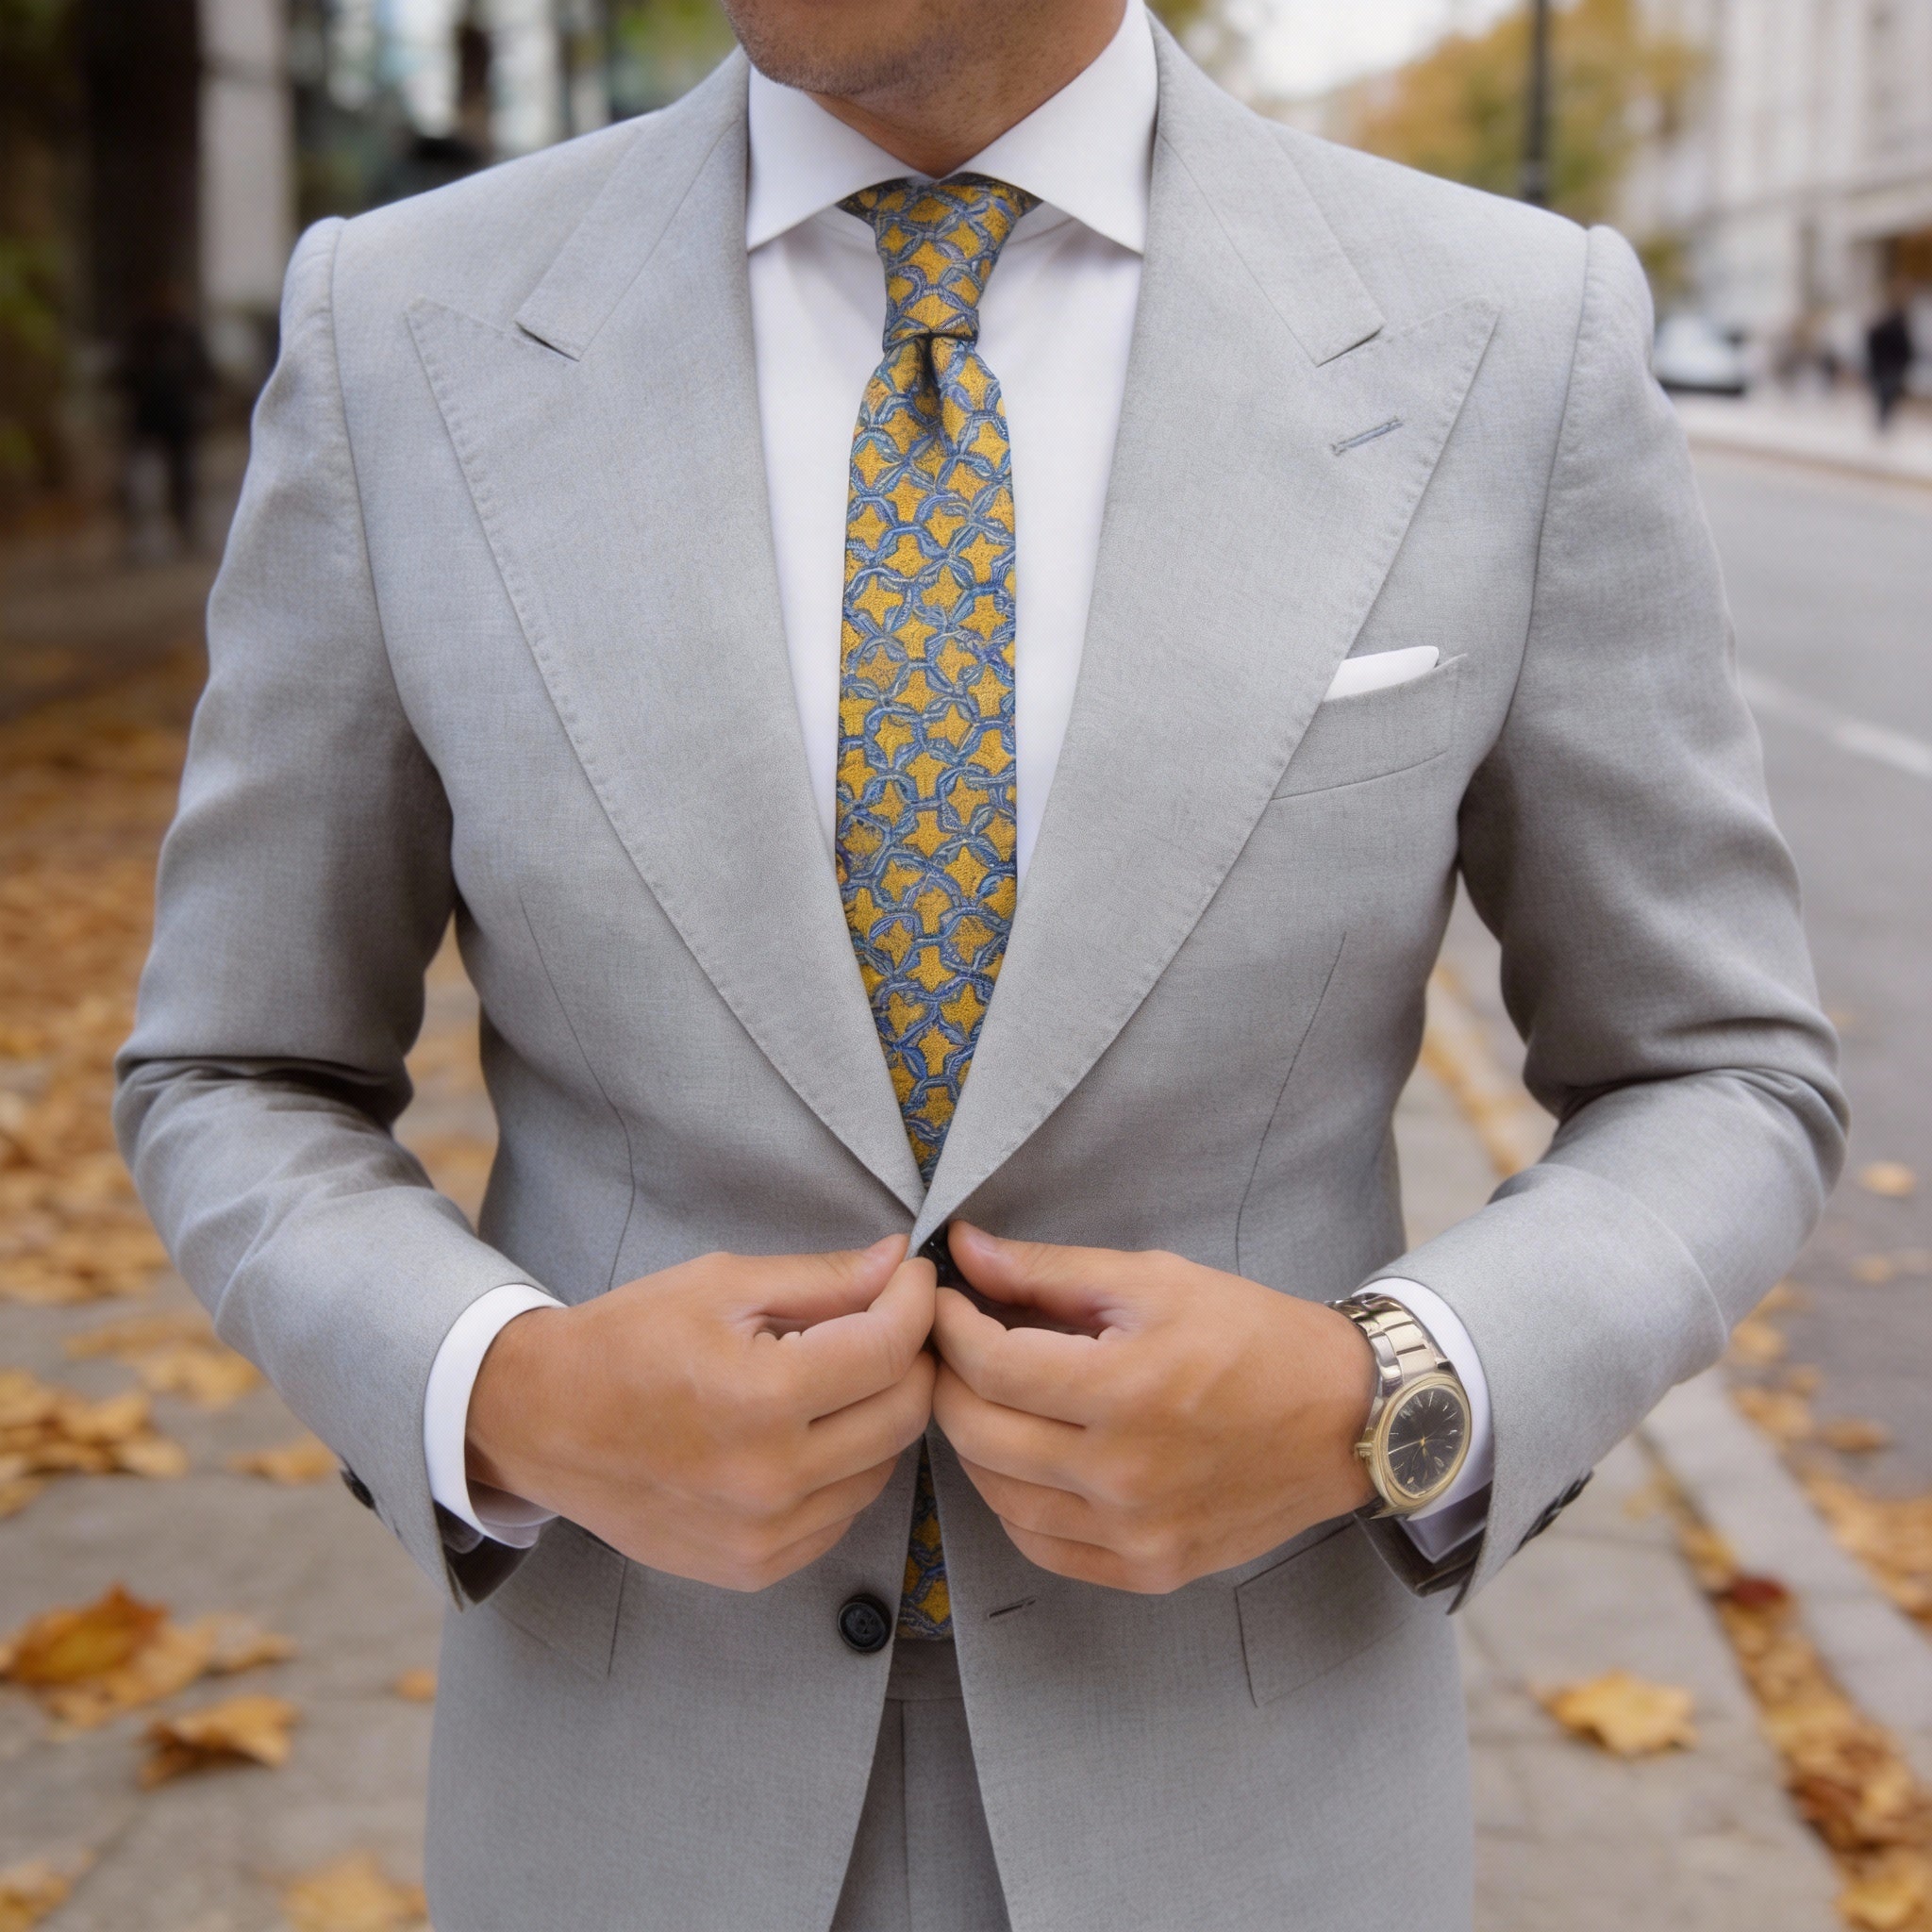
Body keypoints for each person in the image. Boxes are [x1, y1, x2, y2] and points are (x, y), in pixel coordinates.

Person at [116, 1, 1844, 1925]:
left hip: (1250, 1809)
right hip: (628, 1808)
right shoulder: (400, 326)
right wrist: (499, 1392)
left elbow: (1720, 1072)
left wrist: (1388, 1397)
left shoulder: (1509, 337)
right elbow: (234, 1062)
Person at [118, 285, 213, 551]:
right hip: (148, 415)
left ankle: (184, 528)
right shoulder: (142, 334)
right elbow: (126, 374)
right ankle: (136, 532)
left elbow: (203, 371)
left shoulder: (185, 332)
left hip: (177, 416)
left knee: (181, 476)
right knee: (139, 476)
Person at [1867, 287, 1915, 430]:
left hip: (1887, 366)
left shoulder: (1890, 321)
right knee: (1886, 397)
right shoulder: (1897, 322)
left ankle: (1883, 425)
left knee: (1885, 398)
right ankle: (1883, 425)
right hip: (1890, 367)